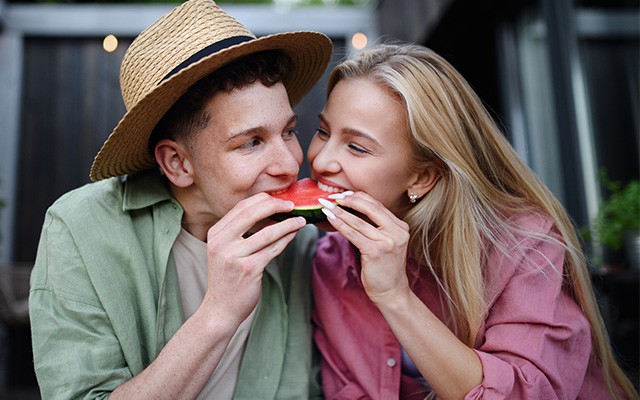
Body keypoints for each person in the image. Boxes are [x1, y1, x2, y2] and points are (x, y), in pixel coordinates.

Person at [28, 0, 332, 398]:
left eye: (289, 131)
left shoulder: (304, 241)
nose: (291, 164)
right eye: (252, 142)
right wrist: (218, 314)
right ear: (177, 163)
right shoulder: (79, 230)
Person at [309, 43, 638, 400]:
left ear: (422, 177)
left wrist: (395, 296)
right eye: (324, 131)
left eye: (356, 147)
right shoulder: (331, 260)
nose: (321, 160)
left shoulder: (523, 246)